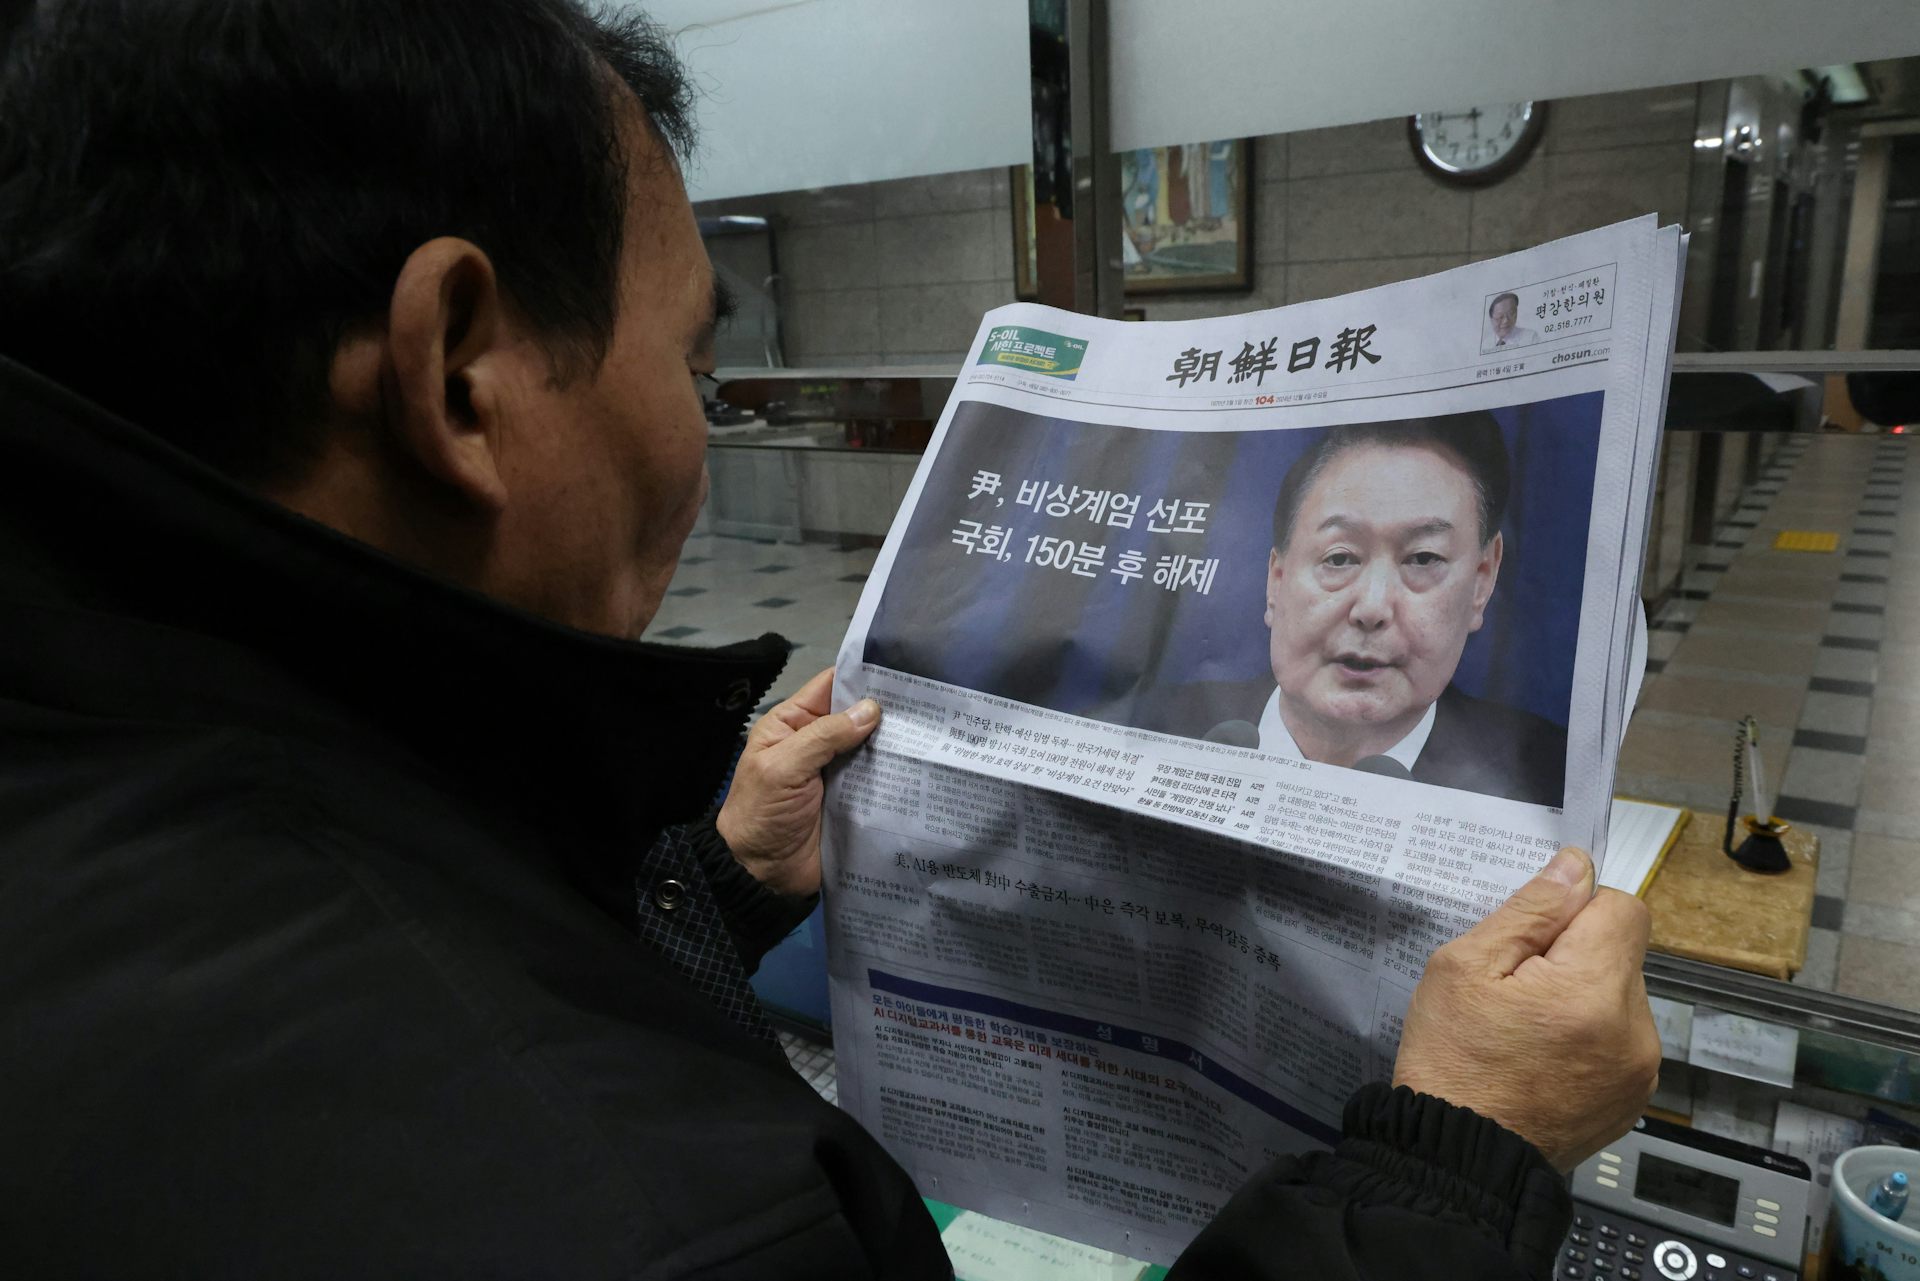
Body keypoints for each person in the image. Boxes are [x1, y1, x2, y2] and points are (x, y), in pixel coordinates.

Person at [0, 3, 1658, 1277]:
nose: (695, 429)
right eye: (690, 361)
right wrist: (1455, 1162)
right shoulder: (654, 1207)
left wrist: (702, 885)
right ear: (459, 376)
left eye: (1422, 558)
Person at [1158, 415, 1568, 806]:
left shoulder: (1551, 781)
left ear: (1481, 581)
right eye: (1339, 558)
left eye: (1422, 559)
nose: (1371, 608)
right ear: (1277, 580)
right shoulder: (1149, 729)